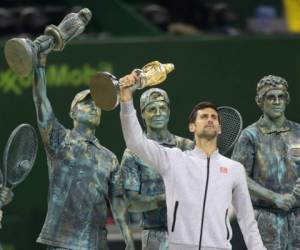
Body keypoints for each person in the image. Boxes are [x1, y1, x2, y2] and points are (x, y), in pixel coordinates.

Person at [117, 71, 266, 250]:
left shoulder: (234, 169)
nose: (209, 119)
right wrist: (126, 100)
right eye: (203, 116)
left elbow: (247, 221)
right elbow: (135, 142)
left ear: (219, 128)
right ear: (192, 126)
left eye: (214, 117)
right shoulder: (175, 158)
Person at [32, 37, 134, 250]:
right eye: (86, 104)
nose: (93, 107)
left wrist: (128, 239)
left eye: (96, 105)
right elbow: (41, 100)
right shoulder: (59, 139)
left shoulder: (109, 157)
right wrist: (40, 64)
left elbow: (118, 204)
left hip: (96, 244)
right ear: (73, 112)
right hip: (62, 242)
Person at [231, 75, 300, 249]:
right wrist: (274, 197)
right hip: (265, 220)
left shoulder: (298, 132)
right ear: (260, 101)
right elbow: (238, 176)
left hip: (297, 219)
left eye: (281, 97)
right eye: (271, 97)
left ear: (286, 100)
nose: (277, 101)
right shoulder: (250, 136)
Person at [121, 88, 194, 250]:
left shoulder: (188, 147)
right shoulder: (133, 153)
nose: (158, 113)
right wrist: (166, 198)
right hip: (155, 237)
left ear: (169, 111)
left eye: (162, 108)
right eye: (152, 109)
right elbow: (131, 204)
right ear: (142, 114)